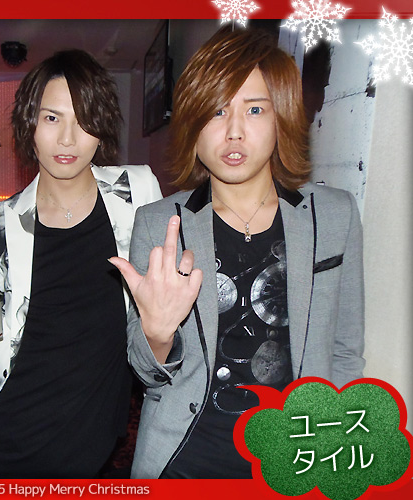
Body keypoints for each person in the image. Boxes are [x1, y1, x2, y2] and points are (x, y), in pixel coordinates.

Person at [109, 26, 365, 479]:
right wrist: (157, 333)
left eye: (254, 109)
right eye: (216, 111)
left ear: (281, 117)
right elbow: (146, 373)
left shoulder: (335, 214)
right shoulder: (159, 223)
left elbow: (345, 352)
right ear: (193, 126)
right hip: (185, 458)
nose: (234, 131)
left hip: (297, 455)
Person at [0, 49, 162, 478]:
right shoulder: (0, 220)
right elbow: (0, 332)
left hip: (93, 429)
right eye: (52, 118)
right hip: (9, 427)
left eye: (83, 119)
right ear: (29, 125)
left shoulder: (138, 191)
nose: (68, 139)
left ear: (101, 128)